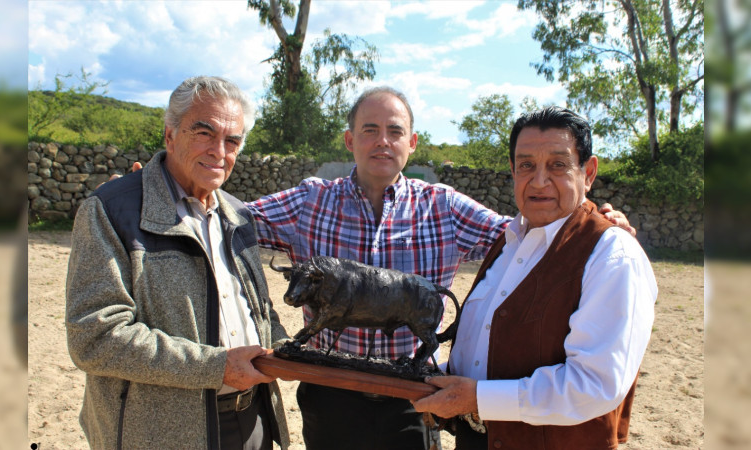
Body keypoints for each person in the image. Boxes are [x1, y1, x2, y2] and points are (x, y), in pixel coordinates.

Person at [246, 88, 634, 450]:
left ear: (411, 143)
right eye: (370, 130)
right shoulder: (309, 201)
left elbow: (527, 232)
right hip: (330, 391)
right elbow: (233, 219)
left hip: (414, 397)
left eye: (395, 131)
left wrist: (593, 220)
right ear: (350, 140)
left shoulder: (443, 206)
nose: (383, 141)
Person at [411, 106, 657, 450]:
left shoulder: (612, 254)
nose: (539, 180)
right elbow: (484, 346)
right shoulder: (510, 241)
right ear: (513, 171)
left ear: (588, 173)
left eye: (557, 165)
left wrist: (479, 398)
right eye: (526, 165)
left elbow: (595, 385)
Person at [65, 76, 290, 450]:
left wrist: (284, 350)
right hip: (158, 434)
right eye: (204, 132)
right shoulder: (111, 210)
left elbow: (260, 310)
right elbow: (95, 337)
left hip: (252, 421)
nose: (220, 151)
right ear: (170, 134)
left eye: (232, 140)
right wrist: (216, 367)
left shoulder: (238, 215)